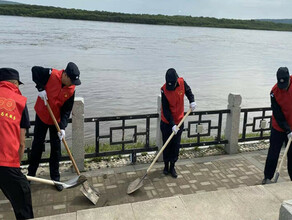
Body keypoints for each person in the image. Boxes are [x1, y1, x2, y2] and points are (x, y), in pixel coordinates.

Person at [28, 62, 81, 191]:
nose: (73, 83)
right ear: (65, 75)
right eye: (72, 80)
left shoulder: (71, 89)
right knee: (37, 145)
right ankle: (30, 176)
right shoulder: (50, 74)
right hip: (42, 114)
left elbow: (66, 110)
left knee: (56, 149)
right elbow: (34, 70)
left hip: (55, 120)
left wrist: (62, 127)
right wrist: (40, 88)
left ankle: (55, 178)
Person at [0, 68, 34, 219]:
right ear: (14, 83)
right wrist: (17, 165)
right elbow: (21, 143)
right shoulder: (19, 101)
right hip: (6, 161)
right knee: (23, 197)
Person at [160, 68, 196, 178]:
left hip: (179, 121)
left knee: (176, 146)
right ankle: (166, 166)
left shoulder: (182, 82)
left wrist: (192, 100)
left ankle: (172, 166)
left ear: (176, 81)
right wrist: (172, 125)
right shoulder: (164, 90)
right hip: (167, 123)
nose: (170, 88)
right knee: (167, 146)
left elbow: (189, 92)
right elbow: (165, 110)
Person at [262, 67, 292, 184]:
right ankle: (267, 177)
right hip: (278, 127)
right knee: (273, 153)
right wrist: (287, 130)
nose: (283, 89)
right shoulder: (274, 92)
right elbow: (278, 114)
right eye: (281, 85)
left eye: (285, 86)